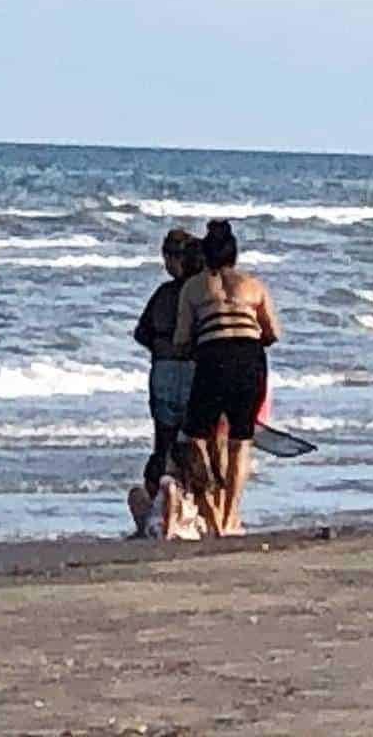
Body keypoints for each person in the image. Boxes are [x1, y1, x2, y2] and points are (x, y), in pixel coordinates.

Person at [174, 219, 281, 536]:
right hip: (249, 358)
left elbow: (181, 337)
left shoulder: (194, 287)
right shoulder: (254, 285)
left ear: (206, 256)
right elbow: (272, 332)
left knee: (196, 437)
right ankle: (230, 515)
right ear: (234, 255)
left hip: (212, 358)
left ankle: (211, 510)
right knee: (240, 439)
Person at [133, 229, 206, 472]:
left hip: (164, 368)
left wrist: (160, 347)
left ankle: (162, 496)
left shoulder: (165, 293)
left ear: (175, 260)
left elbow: (141, 333)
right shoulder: (203, 292)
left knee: (163, 442)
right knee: (193, 444)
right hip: (196, 369)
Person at [127, 449, 205, 541]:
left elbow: (172, 508)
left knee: (136, 493)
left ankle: (142, 530)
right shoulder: (193, 483)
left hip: (162, 526)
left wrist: (169, 532)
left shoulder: (168, 481)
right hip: (187, 526)